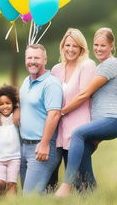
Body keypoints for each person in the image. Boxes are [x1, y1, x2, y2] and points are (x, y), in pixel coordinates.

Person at [55, 27, 117, 197]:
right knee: (82, 155)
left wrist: (62, 112)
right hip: (100, 123)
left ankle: (66, 186)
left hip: (112, 118)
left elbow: (84, 94)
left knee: (78, 134)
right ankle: (90, 194)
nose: (98, 49)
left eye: (103, 45)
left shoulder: (111, 64)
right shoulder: (101, 66)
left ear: (111, 45)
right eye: (96, 45)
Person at [48, 28, 96, 191]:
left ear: (81, 48)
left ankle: (91, 199)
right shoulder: (56, 69)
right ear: (62, 47)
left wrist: (61, 112)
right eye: (67, 45)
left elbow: (83, 95)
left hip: (79, 126)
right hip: (58, 129)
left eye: (75, 46)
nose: (70, 49)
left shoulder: (87, 65)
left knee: (82, 179)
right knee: (52, 174)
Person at [19, 44, 63, 194]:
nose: (32, 61)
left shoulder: (51, 84)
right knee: (36, 197)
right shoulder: (26, 81)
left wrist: (44, 144)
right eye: (29, 57)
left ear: (45, 60)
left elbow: (54, 114)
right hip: (24, 146)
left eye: (37, 58)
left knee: (30, 197)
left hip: (41, 147)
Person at [0, 85, 21, 199]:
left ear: (13, 103)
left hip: (14, 157)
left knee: (12, 183)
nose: (5, 106)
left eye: (8, 103)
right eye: (1, 104)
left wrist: (18, 109)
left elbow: (22, 106)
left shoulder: (15, 117)